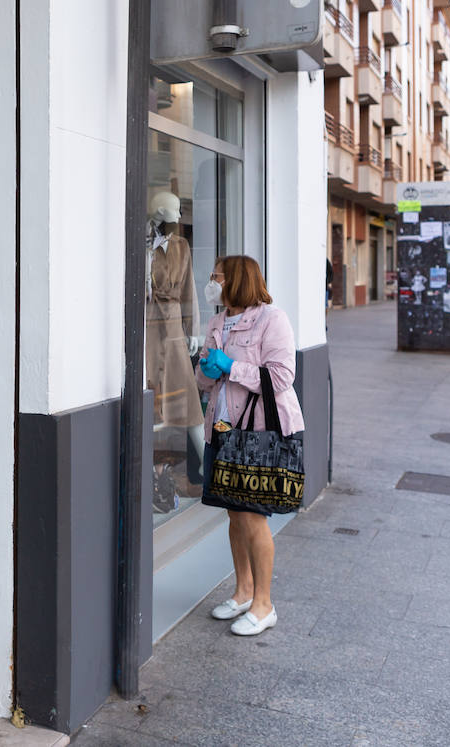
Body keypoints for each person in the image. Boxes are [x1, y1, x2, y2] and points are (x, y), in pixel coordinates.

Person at [192, 254, 304, 637]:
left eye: (217, 276)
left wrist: (231, 367)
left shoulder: (272, 320)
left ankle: (264, 604)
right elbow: (206, 381)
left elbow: (282, 377)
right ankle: (242, 591)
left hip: (257, 433)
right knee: (233, 515)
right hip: (223, 431)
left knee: (254, 518)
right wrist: (206, 372)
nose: (212, 282)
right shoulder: (217, 322)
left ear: (236, 280)